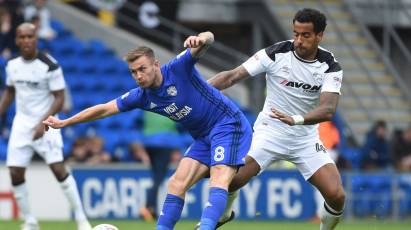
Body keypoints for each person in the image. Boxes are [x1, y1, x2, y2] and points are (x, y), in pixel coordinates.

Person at [43, 31, 252, 230]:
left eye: (142, 69)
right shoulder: (142, 96)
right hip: (203, 137)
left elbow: (209, 38)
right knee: (176, 183)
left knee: (218, 176)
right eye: (133, 72)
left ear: (156, 65)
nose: (138, 76)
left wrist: (200, 39)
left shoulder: (178, 67)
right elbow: (105, 108)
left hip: (227, 124)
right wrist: (66, 122)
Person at [203, 8, 346, 230]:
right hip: (270, 131)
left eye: (305, 35)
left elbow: (328, 110)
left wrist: (296, 119)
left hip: (305, 138)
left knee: (336, 195)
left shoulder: (330, 66)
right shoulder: (275, 53)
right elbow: (232, 76)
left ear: (320, 35)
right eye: (296, 33)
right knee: (232, 179)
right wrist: (197, 91)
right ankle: (224, 214)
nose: (298, 40)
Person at [0, 23, 91, 230]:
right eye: (21, 37)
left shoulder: (50, 65)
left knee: (58, 169)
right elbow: (10, 91)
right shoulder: (12, 64)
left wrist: (44, 121)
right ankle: (30, 221)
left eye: (29, 36)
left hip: (47, 123)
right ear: (16, 40)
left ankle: (81, 219)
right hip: (21, 124)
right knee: (15, 172)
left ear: (36, 38)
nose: (25, 41)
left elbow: (59, 98)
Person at [134, 111, 182, 221]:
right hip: (165, 143)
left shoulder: (147, 106)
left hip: (148, 142)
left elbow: (137, 122)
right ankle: (147, 207)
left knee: (155, 177)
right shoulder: (170, 105)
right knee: (158, 178)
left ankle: (152, 210)